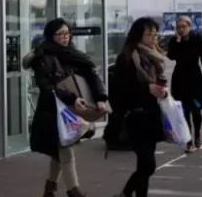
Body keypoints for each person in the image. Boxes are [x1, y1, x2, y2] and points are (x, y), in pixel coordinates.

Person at [22, 18, 108, 197]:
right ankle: (73, 191)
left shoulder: (73, 54)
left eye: (67, 33)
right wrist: (72, 97)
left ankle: (50, 188)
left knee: (59, 152)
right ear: (50, 35)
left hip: (72, 108)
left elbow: (91, 74)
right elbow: (46, 86)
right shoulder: (43, 57)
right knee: (65, 150)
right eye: (60, 34)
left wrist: (100, 97)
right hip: (53, 110)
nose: (65, 37)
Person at [112, 17, 167, 197]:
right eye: (149, 35)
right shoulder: (127, 57)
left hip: (152, 115)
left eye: (155, 34)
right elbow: (121, 91)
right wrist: (146, 89)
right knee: (147, 164)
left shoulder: (153, 57)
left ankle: (133, 194)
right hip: (135, 116)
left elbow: (158, 83)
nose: (153, 38)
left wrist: (163, 92)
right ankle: (126, 192)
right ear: (138, 35)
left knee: (144, 165)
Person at [167, 16, 202, 153]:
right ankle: (189, 142)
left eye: (184, 27)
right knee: (184, 113)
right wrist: (177, 41)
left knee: (196, 111)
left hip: (196, 81)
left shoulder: (196, 39)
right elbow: (171, 56)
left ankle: (198, 135)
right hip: (179, 81)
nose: (181, 30)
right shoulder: (174, 41)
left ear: (189, 27)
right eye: (178, 27)